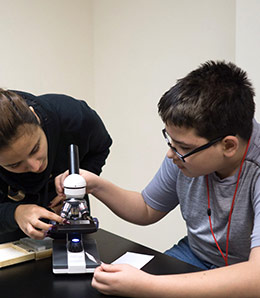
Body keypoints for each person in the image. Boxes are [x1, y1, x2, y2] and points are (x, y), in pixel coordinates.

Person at [55, 61, 260, 296]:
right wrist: (96, 185)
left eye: (181, 146)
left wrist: (147, 285)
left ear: (228, 146)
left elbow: (256, 278)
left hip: (245, 273)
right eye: (170, 141)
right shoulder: (187, 153)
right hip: (196, 255)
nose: (171, 154)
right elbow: (146, 209)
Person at [0, 86, 112, 244]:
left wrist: (77, 182)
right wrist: (16, 213)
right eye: (15, 164)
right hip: (16, 236)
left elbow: (100, 147)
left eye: (35, 149)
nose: (35, 166)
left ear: (35, 116)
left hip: (70, 222)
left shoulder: (73, 116)